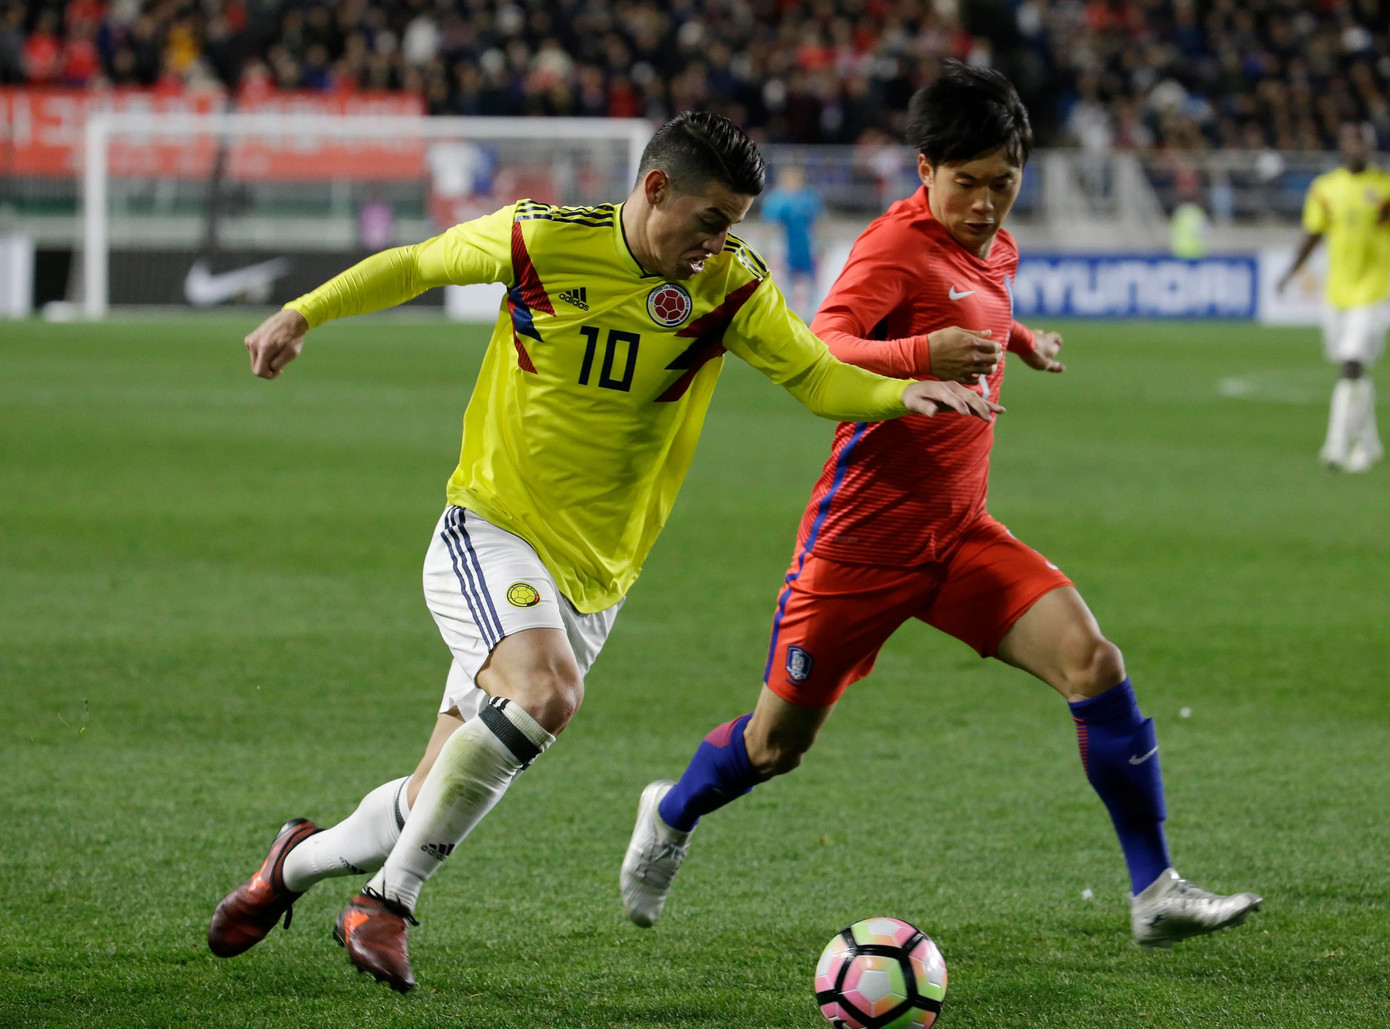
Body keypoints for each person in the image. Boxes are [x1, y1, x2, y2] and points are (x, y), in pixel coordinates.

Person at [206, 111, 999, 994]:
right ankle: (387, 904)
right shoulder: (541, 239)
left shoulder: (731, 286)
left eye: (733, 225)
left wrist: (902, 393)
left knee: (425, 796)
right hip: (492, 527)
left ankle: (287, 866)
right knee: (547, 692)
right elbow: (418, 262)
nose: (719, 242)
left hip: (596, 576)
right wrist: (303, 310)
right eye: (710, 220)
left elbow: (813, 375)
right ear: (656, 188)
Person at [620, 66, 1263, 951]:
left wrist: (1018, 340)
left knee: (1095, 664)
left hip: (958, 534)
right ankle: (673, 808)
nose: (987, 203)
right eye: (967, 183)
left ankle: (1154, 889)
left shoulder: (997, 248)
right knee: (774, 746)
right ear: (926, 169)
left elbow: (980, 303)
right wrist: (923, 352)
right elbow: (823, 342)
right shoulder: (892, 248)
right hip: (860, 543)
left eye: (1004, 182)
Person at [1277, 120, 1390, 473]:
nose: (1355, 148)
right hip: (1336, 294)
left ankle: (1335, 446)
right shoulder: (1325, 189)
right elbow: (1313, 234)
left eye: (1361, 142)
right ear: (1341, 146)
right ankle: (1370, 445)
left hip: (1373, 292)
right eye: (1349, 142)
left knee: (1351, 365)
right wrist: (1289, 273)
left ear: (1369, 146)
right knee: (1355, 372)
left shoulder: (1384, 188)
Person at [761, 164, 825, 318]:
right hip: (785, 246)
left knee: (811, 278)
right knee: (784, 280)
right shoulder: (776, 199)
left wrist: (821, 243)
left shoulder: (809, 197)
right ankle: (784, 312)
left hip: (806, 245)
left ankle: (812, 314)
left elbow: (818, 221)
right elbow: (769, 225)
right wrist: (768, 247)